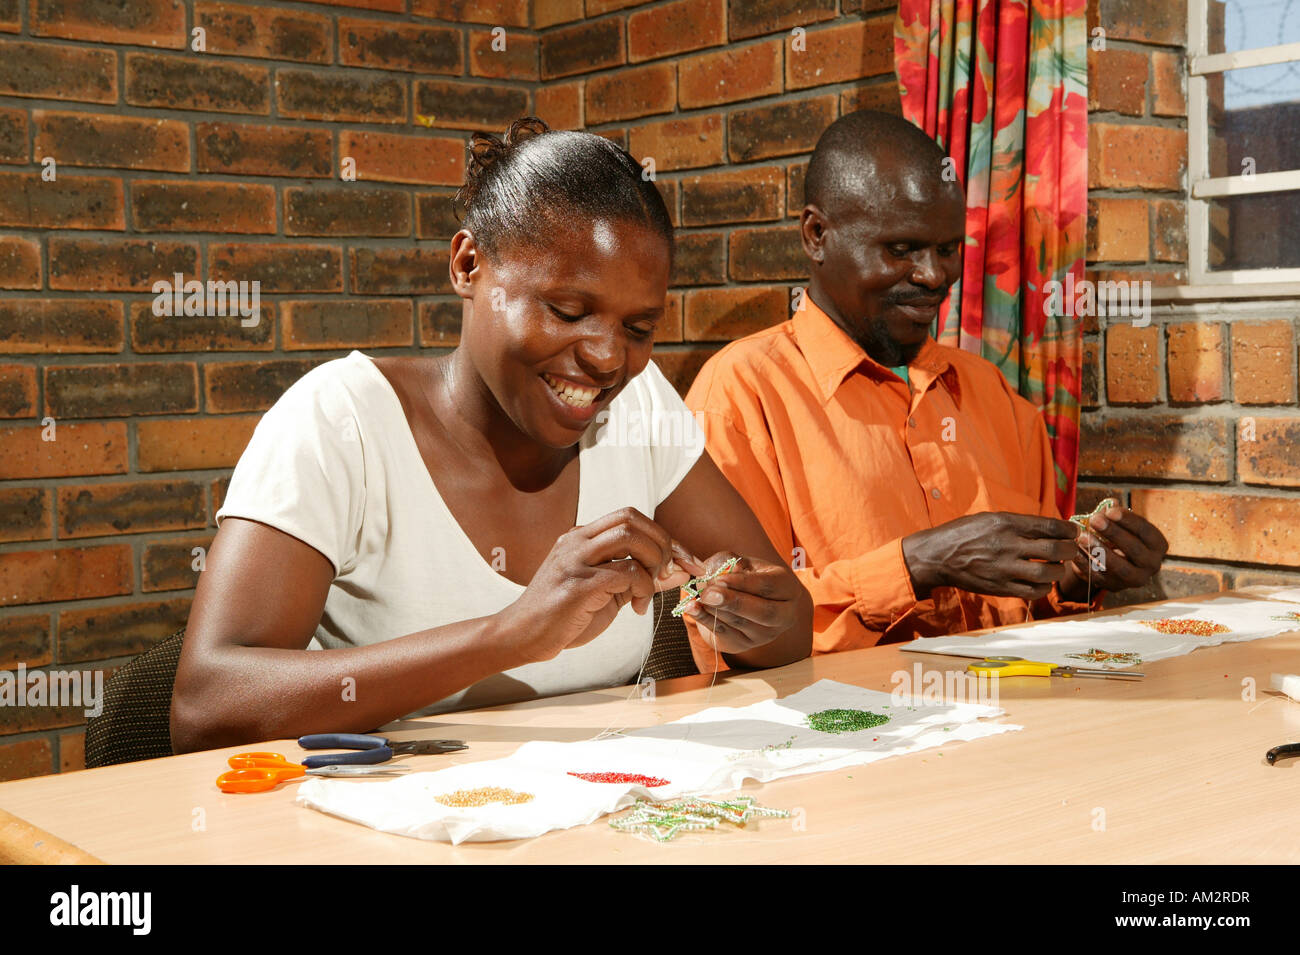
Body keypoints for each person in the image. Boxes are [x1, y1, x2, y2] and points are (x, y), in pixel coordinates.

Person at [170, 117, 811, 752]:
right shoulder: (341, 422)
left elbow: (790, 628)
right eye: (568, 311)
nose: (608, 357)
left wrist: (754, 613)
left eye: (639, 328)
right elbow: (207, 704)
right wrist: (508, 635)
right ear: (468, 264)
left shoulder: (640, 408)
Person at [684, 109, 1167, 658]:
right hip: (843, 732)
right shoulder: (740, 396)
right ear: (816, 235)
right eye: (901, 249)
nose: (934, 277)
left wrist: (1087, 575)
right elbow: (733, 623)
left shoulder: (992, 396)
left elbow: (1031, 606)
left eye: (947, 249)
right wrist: (917, 564)